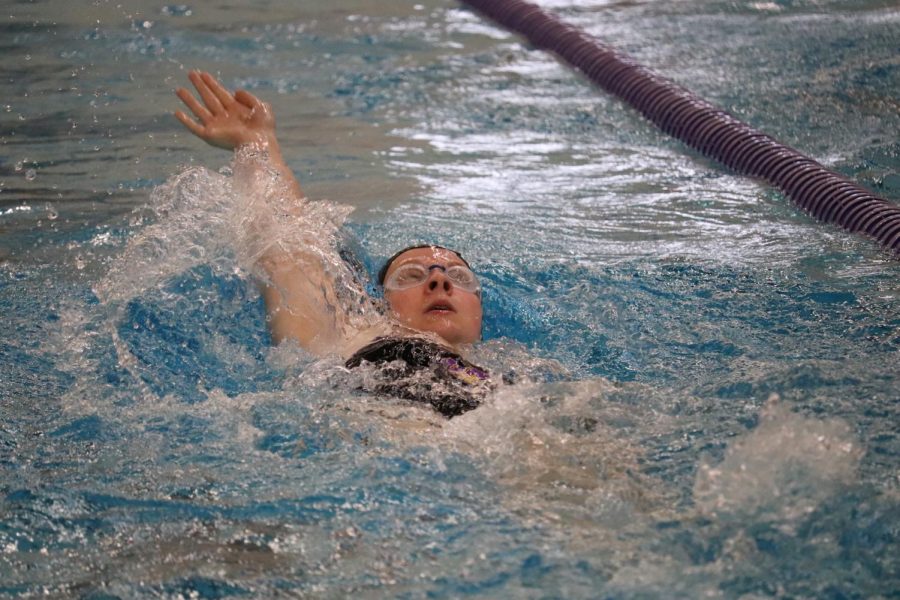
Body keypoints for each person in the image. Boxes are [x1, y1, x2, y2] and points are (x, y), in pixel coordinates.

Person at [174, 71, 490, 417]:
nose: (439, 281)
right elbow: (288, 249)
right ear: (380, 304)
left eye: (459, 278)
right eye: (410, 276)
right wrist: (256, 142)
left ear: (479, 311)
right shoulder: (351, 335)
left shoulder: (511, 374)